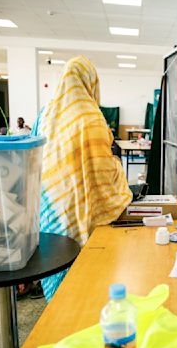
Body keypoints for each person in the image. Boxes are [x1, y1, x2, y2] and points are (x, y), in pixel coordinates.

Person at [35, 56, 132, 302]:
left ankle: (56, 314)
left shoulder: (44, 115)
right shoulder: (92, 118)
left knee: (56, 260)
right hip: (84, 211)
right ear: (91, 82)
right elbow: (104, 175)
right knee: (83, 282)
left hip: (52, 206)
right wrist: (119, 174)